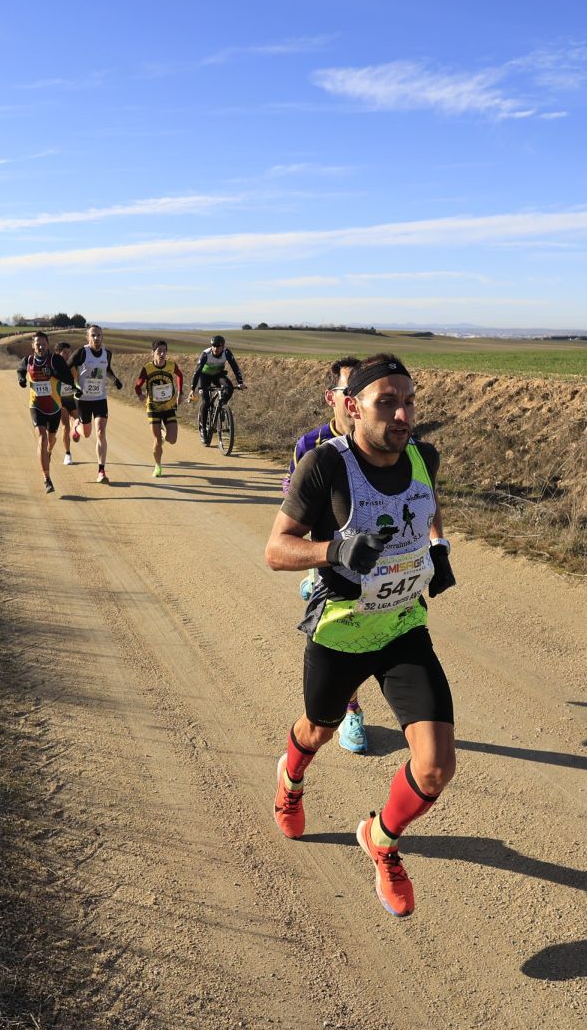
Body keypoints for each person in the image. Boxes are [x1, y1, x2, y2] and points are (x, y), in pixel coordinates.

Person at [264, 353, 458, 918]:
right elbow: (276, 549)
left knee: (435, 767)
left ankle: (382, 839)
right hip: (340, 631)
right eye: (387, 402)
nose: (402, 414)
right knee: (318, 731)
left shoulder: (423, 455)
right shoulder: (325, 465)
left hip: (402, 626)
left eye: (409, 401)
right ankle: (291, 775)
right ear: (352, 407)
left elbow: (428, 504)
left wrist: (438, 548)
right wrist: (334, 550)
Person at [285, 356, 373, 753]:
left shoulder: (382, 441)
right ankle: (350, 709)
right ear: (332, 398)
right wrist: (317, 559)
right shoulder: (310, 444)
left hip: (378, 562)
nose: (356, 399)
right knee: (346, 635)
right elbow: (293, 508)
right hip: (331, 559)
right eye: (349, 390)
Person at [16, 331, 78, 493]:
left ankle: (48, 452)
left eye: (43, 343)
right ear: (33, 345)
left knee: (50, 441)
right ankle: (47, 479)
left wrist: (54, 374)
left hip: (55, 407)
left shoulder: (55, 360)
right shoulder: (28, 360)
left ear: (48, 344)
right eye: (38, 344)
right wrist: (22, 379)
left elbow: (68, 379)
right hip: (36, 405)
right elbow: (20, 370)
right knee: (42, 438)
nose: (41, 346)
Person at [70, 324, 124, 484]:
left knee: (100, 432)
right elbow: (66, 368)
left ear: (102, 337)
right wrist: (75, 387)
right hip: (83, 400)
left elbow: (107, 369)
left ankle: (101, 470)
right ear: (88, 337)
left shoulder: (107, 354)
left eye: (99, 335)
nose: (96, 338)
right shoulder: (81, 353)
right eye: (93, 335)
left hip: (100, 398)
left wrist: (115, 380)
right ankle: (75, 426)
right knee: (86, 433)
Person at [133, 340, 184, 477]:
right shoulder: (148, 368)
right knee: (156, 440)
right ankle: (158, 465)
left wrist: (180, 393)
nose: (162, 354)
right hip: (153, 408)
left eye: (164, 351)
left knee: (172, 439)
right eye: (159, 351)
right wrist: (140, 395)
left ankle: (163, 433)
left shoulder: (172, 366)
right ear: (153, 353)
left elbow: (179, 375)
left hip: (169, 407)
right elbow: (137, 385)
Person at [189, 334, 245, 442]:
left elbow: (235, 367)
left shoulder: (226, 353)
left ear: (223, 346)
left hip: (217, 376)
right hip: (204, 377)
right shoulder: (206, 354)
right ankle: (204, 430)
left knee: (229, 387)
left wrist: (240, 382)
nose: (215, 348)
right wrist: (192, 388)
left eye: (218, 346)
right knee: (206, 402)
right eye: (213, 346)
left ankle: (221, 407)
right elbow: (197, 372)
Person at [53, 340, 84, 465]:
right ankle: (67, 454)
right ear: (58, 354)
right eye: (64, 353)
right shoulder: (54, 367)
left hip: (73, 399)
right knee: (65, 426)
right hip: (61, 401)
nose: (67, 355)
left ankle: (75, 431)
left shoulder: (74, 366)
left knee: (77, 423)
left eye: (69, 352)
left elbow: (80, 379)